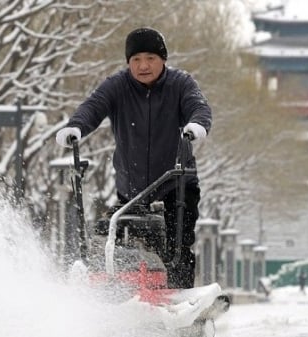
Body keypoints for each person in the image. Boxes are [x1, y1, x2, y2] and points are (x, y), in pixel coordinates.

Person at [55, 27, 212, 289]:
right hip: (133, 189)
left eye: (150, 58)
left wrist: (197, 126)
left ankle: (179, 298)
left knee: (177, 246)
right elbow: (93, 106)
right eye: (136, 59)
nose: (143, 66)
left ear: (163, 59)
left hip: (177, 185)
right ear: (128, 62)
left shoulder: (181, 84)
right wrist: (75, 127)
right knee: (109, 238)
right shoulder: (117, 85)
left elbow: (199, 107)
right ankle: (116, 293)